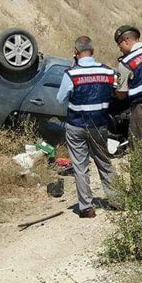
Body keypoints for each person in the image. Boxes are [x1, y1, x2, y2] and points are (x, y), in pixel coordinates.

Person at [56, 36, 118, 219]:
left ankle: (86, 208)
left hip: (76, 125)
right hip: (99, 124)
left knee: (80, 166)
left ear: (75, 52)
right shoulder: (108, 72)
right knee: (104, 162)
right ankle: (117, 200)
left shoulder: (71, 74)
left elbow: (60, 99)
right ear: (93, 51)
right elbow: (118, 92)